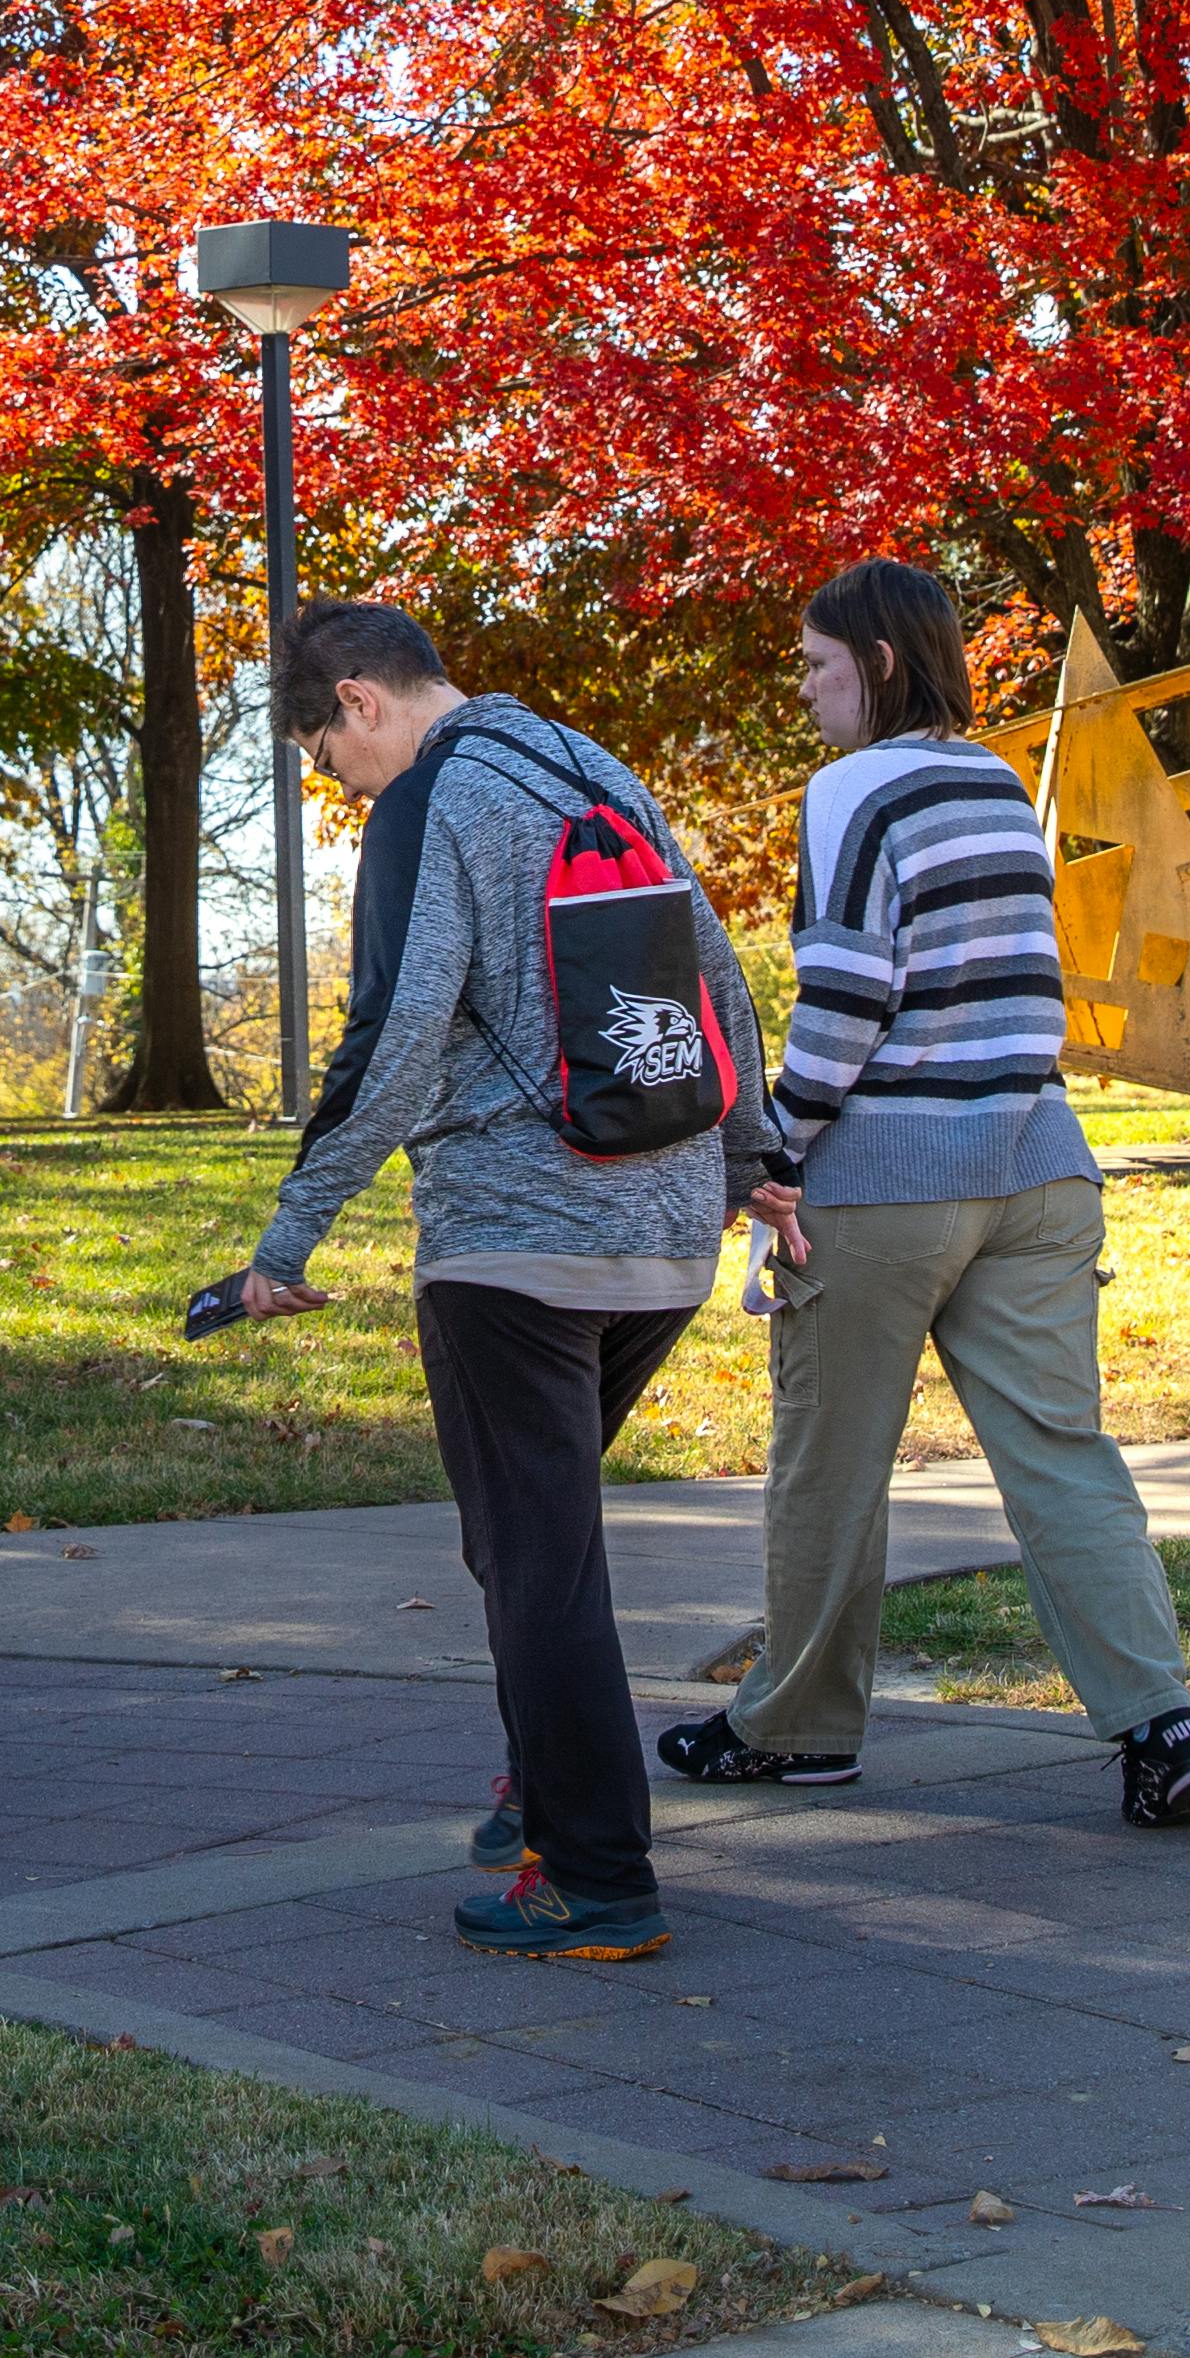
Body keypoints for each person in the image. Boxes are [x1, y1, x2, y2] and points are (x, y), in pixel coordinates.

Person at [221, 600, 781, 1964]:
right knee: (522, 1531)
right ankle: (542, 1787)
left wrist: (288, 1241)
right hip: (660, 1232)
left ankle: (595, 1876)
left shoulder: (433, 799)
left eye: (321, 753)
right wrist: (745, 1155)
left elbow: (401, 1031)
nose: (336, 787)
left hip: (514, 1243)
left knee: (537, 1557)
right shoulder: (593, 765)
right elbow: (716, 971)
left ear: (356, 701)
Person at [659, 556, 1190, 1827]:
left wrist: (774, 1148)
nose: (807, 693)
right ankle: (1162, 1724)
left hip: (885, 1181)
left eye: (818, 667)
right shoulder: (992, 781)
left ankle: (799, 1730)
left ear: (873, 665)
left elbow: (851, 996)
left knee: (831, 1465)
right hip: (1035, 1165)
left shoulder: (851, 790)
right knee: (1063, 1459)